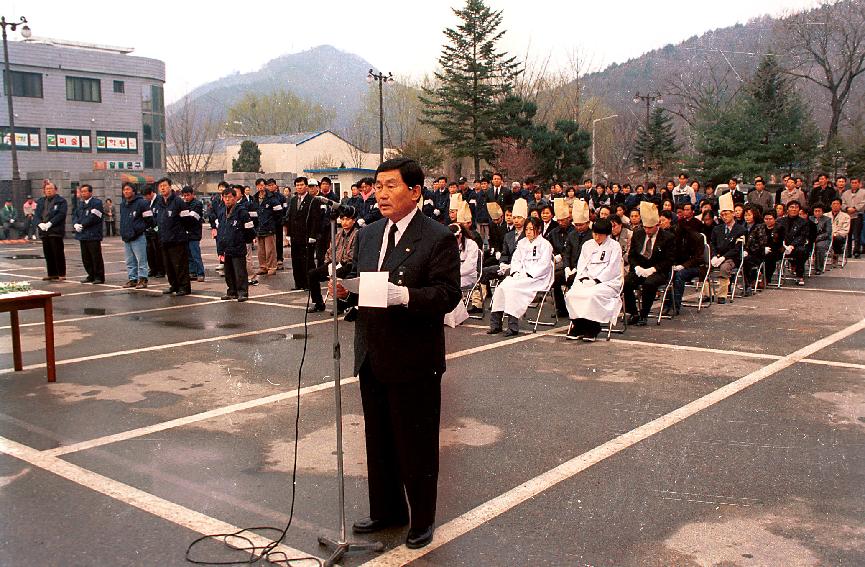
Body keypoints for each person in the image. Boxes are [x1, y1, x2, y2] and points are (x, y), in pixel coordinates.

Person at [331, 158, 459, 550]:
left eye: (390, 186)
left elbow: (448, 294)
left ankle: (421, 519)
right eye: (377, 186)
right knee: (379, 439)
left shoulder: (436, 237)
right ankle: (386, 509)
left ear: (415, 191)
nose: (381, 194)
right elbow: (367, 285)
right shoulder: (369, 234)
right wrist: (346, 289)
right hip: (372, 351)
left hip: (413, 358)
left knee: (415, 443)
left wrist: (404, 295)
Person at [488, 216, 554, 337]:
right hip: (520, 276)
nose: (528, 232)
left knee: (513, 290)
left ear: (538, 229)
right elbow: (516, 260)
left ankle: (513, 326)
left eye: (531, 229)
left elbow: (544, 265)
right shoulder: (522, 243)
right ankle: (496, 324)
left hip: (536, 278)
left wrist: (529, 274)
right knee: (501, 287)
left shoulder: (545, 245)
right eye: (527, 229)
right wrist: (516, 272)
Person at [564, 218, 623, 341]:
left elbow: (612, 268)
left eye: (600, 235)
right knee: (571, 295)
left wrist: (596, 280)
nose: (596, 237)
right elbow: (581, 265)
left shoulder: (614, 246)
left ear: (607, 234)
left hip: (607, 282)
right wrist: (584, 278)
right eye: (595, 234)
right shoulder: (587, 245)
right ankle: (579, 325)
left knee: (592, 295)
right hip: (587, 280)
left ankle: (593, 327)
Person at [623, 201, 675, 325]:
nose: (647, 230)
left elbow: (669, 260)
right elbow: (632, 255)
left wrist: (653, 269)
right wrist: (636, 267)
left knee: (649, 284)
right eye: (645, 227)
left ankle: (644, 314)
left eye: (650, 227)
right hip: (640, 267)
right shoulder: (638, 234)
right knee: (626, 282)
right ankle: (633, 312)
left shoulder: (668, 237)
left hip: (658, 270)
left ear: (657, 225)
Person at [306, 209, 357, 313]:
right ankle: (318, 303)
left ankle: (340, 305)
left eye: (347, 219)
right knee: (312, 273)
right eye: (342, 219)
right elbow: (330, 250)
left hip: (348, 264)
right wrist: (328, 262)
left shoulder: (357, 234)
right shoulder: (338, 234)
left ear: (354, 220)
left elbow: (352, 254)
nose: (344, 222)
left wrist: (340, 263)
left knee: (338, 274)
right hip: (334, 263)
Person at [216, 187, 255, 302]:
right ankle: (231, 291)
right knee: (228, 272)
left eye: (229, 197)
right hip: (226, 247)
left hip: (238, 246)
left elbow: (249, 229)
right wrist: (220, 248)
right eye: (225, 197)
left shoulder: (241, 211)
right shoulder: (222, 211)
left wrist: (245, 241)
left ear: (235, 198)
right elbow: (221, 230)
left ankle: (242, 292)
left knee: (240, 272)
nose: (227, 199)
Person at [155, 178, 192, 296]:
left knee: (180, 265)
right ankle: (174, 285)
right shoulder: (159, 203)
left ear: (170, 187)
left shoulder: (178, 202)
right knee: (168, 265)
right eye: (160, 186)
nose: (162, 188)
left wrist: (180, 232)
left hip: (177, 240)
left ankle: (184, 287)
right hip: (164, 239)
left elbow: (187, 220)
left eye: (165, 186)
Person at [286, 177, 323, 290]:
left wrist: (313, 236)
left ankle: (308, 284)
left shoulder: (313, 200)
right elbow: (290, 217)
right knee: (296, 260)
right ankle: (299, 283)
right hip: (295, 236)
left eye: (301, 185)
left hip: (307, 236)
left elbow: (316, 220)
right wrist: (288, 234)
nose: (299, 187)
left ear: (306, 186)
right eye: (297, 185)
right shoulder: (292, 200)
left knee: (307, 261)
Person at [709, 192, 747, 302]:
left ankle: (722, 295)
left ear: (733, 214)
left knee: (725, 267)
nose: (724, 217)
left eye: (727, 214)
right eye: (722, 215)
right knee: (704, 265)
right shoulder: (717, 229)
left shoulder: (741, 230)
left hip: (732, 257)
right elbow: (713, 244)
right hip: (718, 255)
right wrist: (714, 256)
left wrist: (723, 258)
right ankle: (707, 293)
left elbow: (737, 249)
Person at [72, 184, 106, 284]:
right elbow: (75, 215)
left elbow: (94, 217)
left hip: (93, 235)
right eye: (82, 191)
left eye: (85, 191)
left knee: (95, 257)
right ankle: (90, 275)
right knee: (85, 257)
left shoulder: (96, 203)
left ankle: (99, 276)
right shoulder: (80, 204)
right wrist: (75, 224)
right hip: (83, 235)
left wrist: (82, 225)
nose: (83, 193)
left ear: (90, 192)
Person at [119, 182, 150, 288]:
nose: (126, 192)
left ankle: (143, 279)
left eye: (128, 189)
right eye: (124, 190)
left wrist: (140, 228)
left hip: (138, 236)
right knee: (129, 260)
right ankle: (132, 279)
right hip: (127, 237)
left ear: (133, 191)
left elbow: (149, 219)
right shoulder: (123, 204)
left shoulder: (142, 203)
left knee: (141, 259)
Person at [35, 180, 68, 281]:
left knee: (58, 252)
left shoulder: (61, 201)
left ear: (56, 190)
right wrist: (39, 223)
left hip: (55, 230)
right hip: (44, 231)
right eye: (46, 189)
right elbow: (36, 214)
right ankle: (52, 273)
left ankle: (61, 273)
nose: (48, 191)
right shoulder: (40, 201)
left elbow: (61, 214)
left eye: (51, 189)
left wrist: (50, 223)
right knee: (48, 253)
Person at [777, 200, 811, 286]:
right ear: (787, 209)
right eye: (791, 207)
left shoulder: (804, 222)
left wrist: (792, 245)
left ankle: (799, 275)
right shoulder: (780, 221)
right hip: (782, 245)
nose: (794, 209)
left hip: (796, 246)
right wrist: (784, 244)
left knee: (802, 251)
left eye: (796, 207)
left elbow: (802, 236)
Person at [251, 178, 280, 276]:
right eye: (258, 185)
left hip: (269, 227)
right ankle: (263, 267)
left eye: (262, 185)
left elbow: (278, 213)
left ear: (266, 186)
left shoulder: (272, 198)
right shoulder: (254, 199)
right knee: (261, 250)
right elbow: (253, 215)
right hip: (259, 228)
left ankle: (272, 267)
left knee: (270, 250)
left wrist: (272, 223)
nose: (261, 187)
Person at [741, 205, 768, 295]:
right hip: (742, 252)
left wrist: (748, 251)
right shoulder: (742, 226)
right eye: (745, 215)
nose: (747, 218)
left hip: (756, 254)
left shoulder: (760, 227)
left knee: (746, 261)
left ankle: (748, 285)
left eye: (749, 215)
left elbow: (761, 243)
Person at [181, 186, 205, 282]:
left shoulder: (197, 204)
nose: (186, 197)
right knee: (188, 255)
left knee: (195, 255)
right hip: (185, 233)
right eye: (184, 196)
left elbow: (193, 217)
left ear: (192, 194)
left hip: (194, 233)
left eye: (188, 195)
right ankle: (192, 272)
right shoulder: (183, 204)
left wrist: (184, 215)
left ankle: (200, 273)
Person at [143, 184, 165, 278]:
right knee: (149, 251)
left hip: (158, 231)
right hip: (149, 231)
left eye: (146, 196)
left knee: (158, 252)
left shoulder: (160, 200)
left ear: (151, 193)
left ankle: (161, 270)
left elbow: (160, 217)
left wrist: (156, 228)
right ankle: (153, 269)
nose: (145, 198)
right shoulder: (147, 203)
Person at [841, 177, 863, 258]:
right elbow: (842, 203)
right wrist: (847, 208)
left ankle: (856, 251)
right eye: (852, 183)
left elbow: (863, 203)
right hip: (847, 216)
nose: (854, 184)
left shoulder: (863, 193)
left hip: (858, 215)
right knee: (848, 234)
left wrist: (855, 208)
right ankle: (848, 251)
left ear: (859, 184)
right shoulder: (846, 193)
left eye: (856, 182)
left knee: (857, 234)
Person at [811, 203, 832, 274]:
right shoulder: (810, 218)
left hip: (823, 239)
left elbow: (828, 232)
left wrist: (818, 238)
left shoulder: (827, 220)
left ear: (822, 212)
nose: (817, 213)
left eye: (819, 211)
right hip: (811, 238)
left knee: (819, 246)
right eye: (815, 211)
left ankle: (818, 268)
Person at [829, 198, 850, 266]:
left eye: (837, 204)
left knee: (837, 238)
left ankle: (835, 255)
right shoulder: (826, 215)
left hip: (839, 235)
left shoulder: (846, 216)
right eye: (834, 204)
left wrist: (835, 234)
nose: (835, 205)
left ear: (840, 205)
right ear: (831, 205)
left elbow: (845, 230)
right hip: (827, 235)